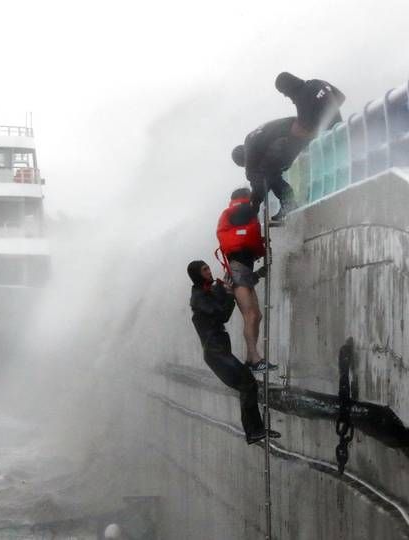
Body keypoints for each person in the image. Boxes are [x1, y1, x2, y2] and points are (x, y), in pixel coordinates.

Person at [187, 260, 280, 445]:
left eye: (208, 267)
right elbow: (223, 314)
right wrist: (229, 295)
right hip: (215, 353)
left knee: (247, 384)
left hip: (220, 351)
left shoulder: (208, 290)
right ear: (198, 275)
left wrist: (257, 275)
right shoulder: (198, 298)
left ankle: (256, 430)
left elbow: (237, 283)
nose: (209, 271)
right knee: (247, 383)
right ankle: (254, 431)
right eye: (205, 269)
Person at [231, 73, 345, 220]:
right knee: (271, 170)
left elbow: (257, 181)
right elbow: (340, 98)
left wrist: (255, 204)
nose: (287, 97)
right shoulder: (315, 83)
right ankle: (288, 201)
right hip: (328, 128)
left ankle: (288, 203)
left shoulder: (251, 151)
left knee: (268, 172)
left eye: (285, 93)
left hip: (292, 137)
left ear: (243, 160)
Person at [216, 187, 278, 373]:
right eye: (250, 196)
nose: (253, 200)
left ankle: (252, 359)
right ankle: (254, 358)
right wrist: (260, 190)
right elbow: (250, 211)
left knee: (256, 316)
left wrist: (258, 274)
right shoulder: (239, 210)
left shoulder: (237, 214)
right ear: (243, 198)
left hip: (243, 270)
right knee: (250, 316)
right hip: (238, 272)